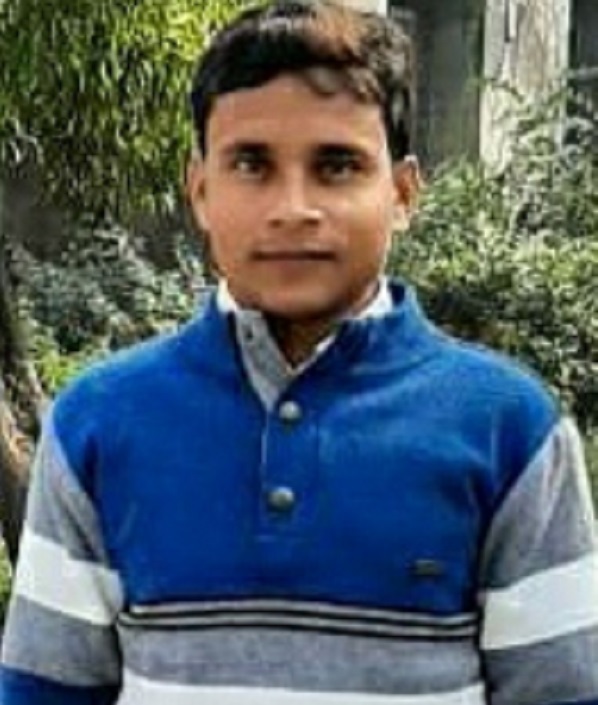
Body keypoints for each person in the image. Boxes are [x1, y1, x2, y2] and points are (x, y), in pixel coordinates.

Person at [1, 1, 597, 703]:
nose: (293, 207)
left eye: (336, 165)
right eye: (251, 164)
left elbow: (561, 689)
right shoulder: (99, 423)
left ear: (402, 194)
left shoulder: (510, 431)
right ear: (201, 191)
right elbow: (46, 689)